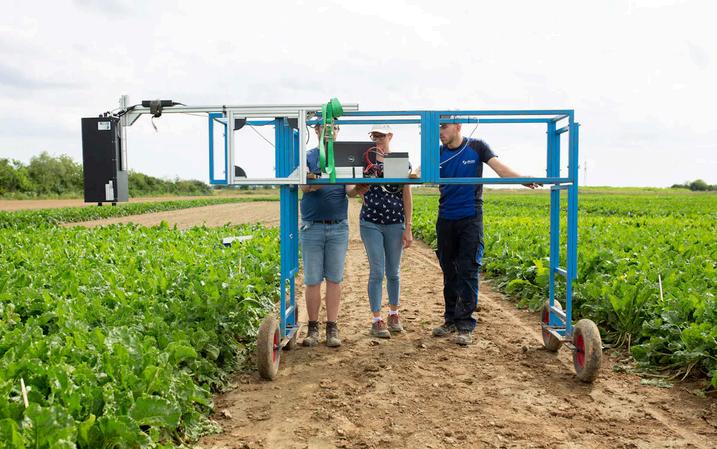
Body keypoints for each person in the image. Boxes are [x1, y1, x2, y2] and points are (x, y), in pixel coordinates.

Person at [432, 120, 539, 346]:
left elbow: (500, 169)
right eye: (437, 127)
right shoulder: (437, 153)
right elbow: (419, 171)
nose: (440, 132)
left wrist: (522, 179)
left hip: (470, 217)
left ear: (458, 126)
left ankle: (465, 325)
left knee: (468, 270)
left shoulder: (477, 146)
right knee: (449, 271)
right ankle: (450, 319)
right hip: (445, 218)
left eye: (444, 126)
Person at [299, 123, 363, 347]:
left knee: (335, 279)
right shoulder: (308, 156)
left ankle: (332, 328)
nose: (329, 131)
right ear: (316, 130)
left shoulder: (345, 157)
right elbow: (304, 186)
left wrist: (361, 187)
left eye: (333, 127)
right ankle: (312, 329)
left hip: (337, 227)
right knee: (312, 280)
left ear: (337, 131)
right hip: (312, 226)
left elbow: (350, 191)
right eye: (324, 127)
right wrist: (317, 180)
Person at [349, 124, 413, 339]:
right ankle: (377, 320)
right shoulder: (364, 162)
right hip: (371, 222)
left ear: (390, 136)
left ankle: (394, 314)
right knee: (377, 271)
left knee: (393, 272)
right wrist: (358, 188)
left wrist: (408, 227)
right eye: (374, 135)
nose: (377, 139)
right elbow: (351, 192)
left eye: (381, 135)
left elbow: (406, 195)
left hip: (395, 222)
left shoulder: (401, 162)